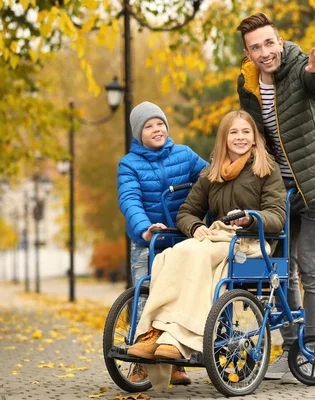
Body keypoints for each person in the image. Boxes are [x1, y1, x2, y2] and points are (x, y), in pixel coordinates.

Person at [126, 110, 286, 390]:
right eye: (233, 132)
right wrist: (196, 227)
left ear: (254, 137)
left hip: (249, 241)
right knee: (171, 254)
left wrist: (250, 217)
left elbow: (277, 215)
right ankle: (155, 332)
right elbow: (187, 211)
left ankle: (176, 339)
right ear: (224, 138)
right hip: (215, 237)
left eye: (245, 132)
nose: (240, 137)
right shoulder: (212, 172)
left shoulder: (266, 169)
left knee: (195, 255)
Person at [235, 13, 315, 384]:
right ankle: (292, 350)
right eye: (255, 47)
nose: (265, 52)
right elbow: (255, 135)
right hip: (281, 192)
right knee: (281, 269)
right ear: (247, 53)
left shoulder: (300, 66)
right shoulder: (248, 82)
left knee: (310, 264)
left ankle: (312, 347)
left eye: (269, 43)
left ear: (279, 42)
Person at [117, 101, 208, 386]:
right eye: (149, 126)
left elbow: (210, 178)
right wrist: (144, 228)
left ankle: (174, 362)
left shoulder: (185, 154)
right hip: (149, 241)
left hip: (181, 240)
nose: (156, 129)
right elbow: (129, 199)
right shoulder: (129, 164)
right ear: (138, 133)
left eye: (160, 124)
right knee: (147, 298)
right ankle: (141, 365)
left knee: (179, 299)